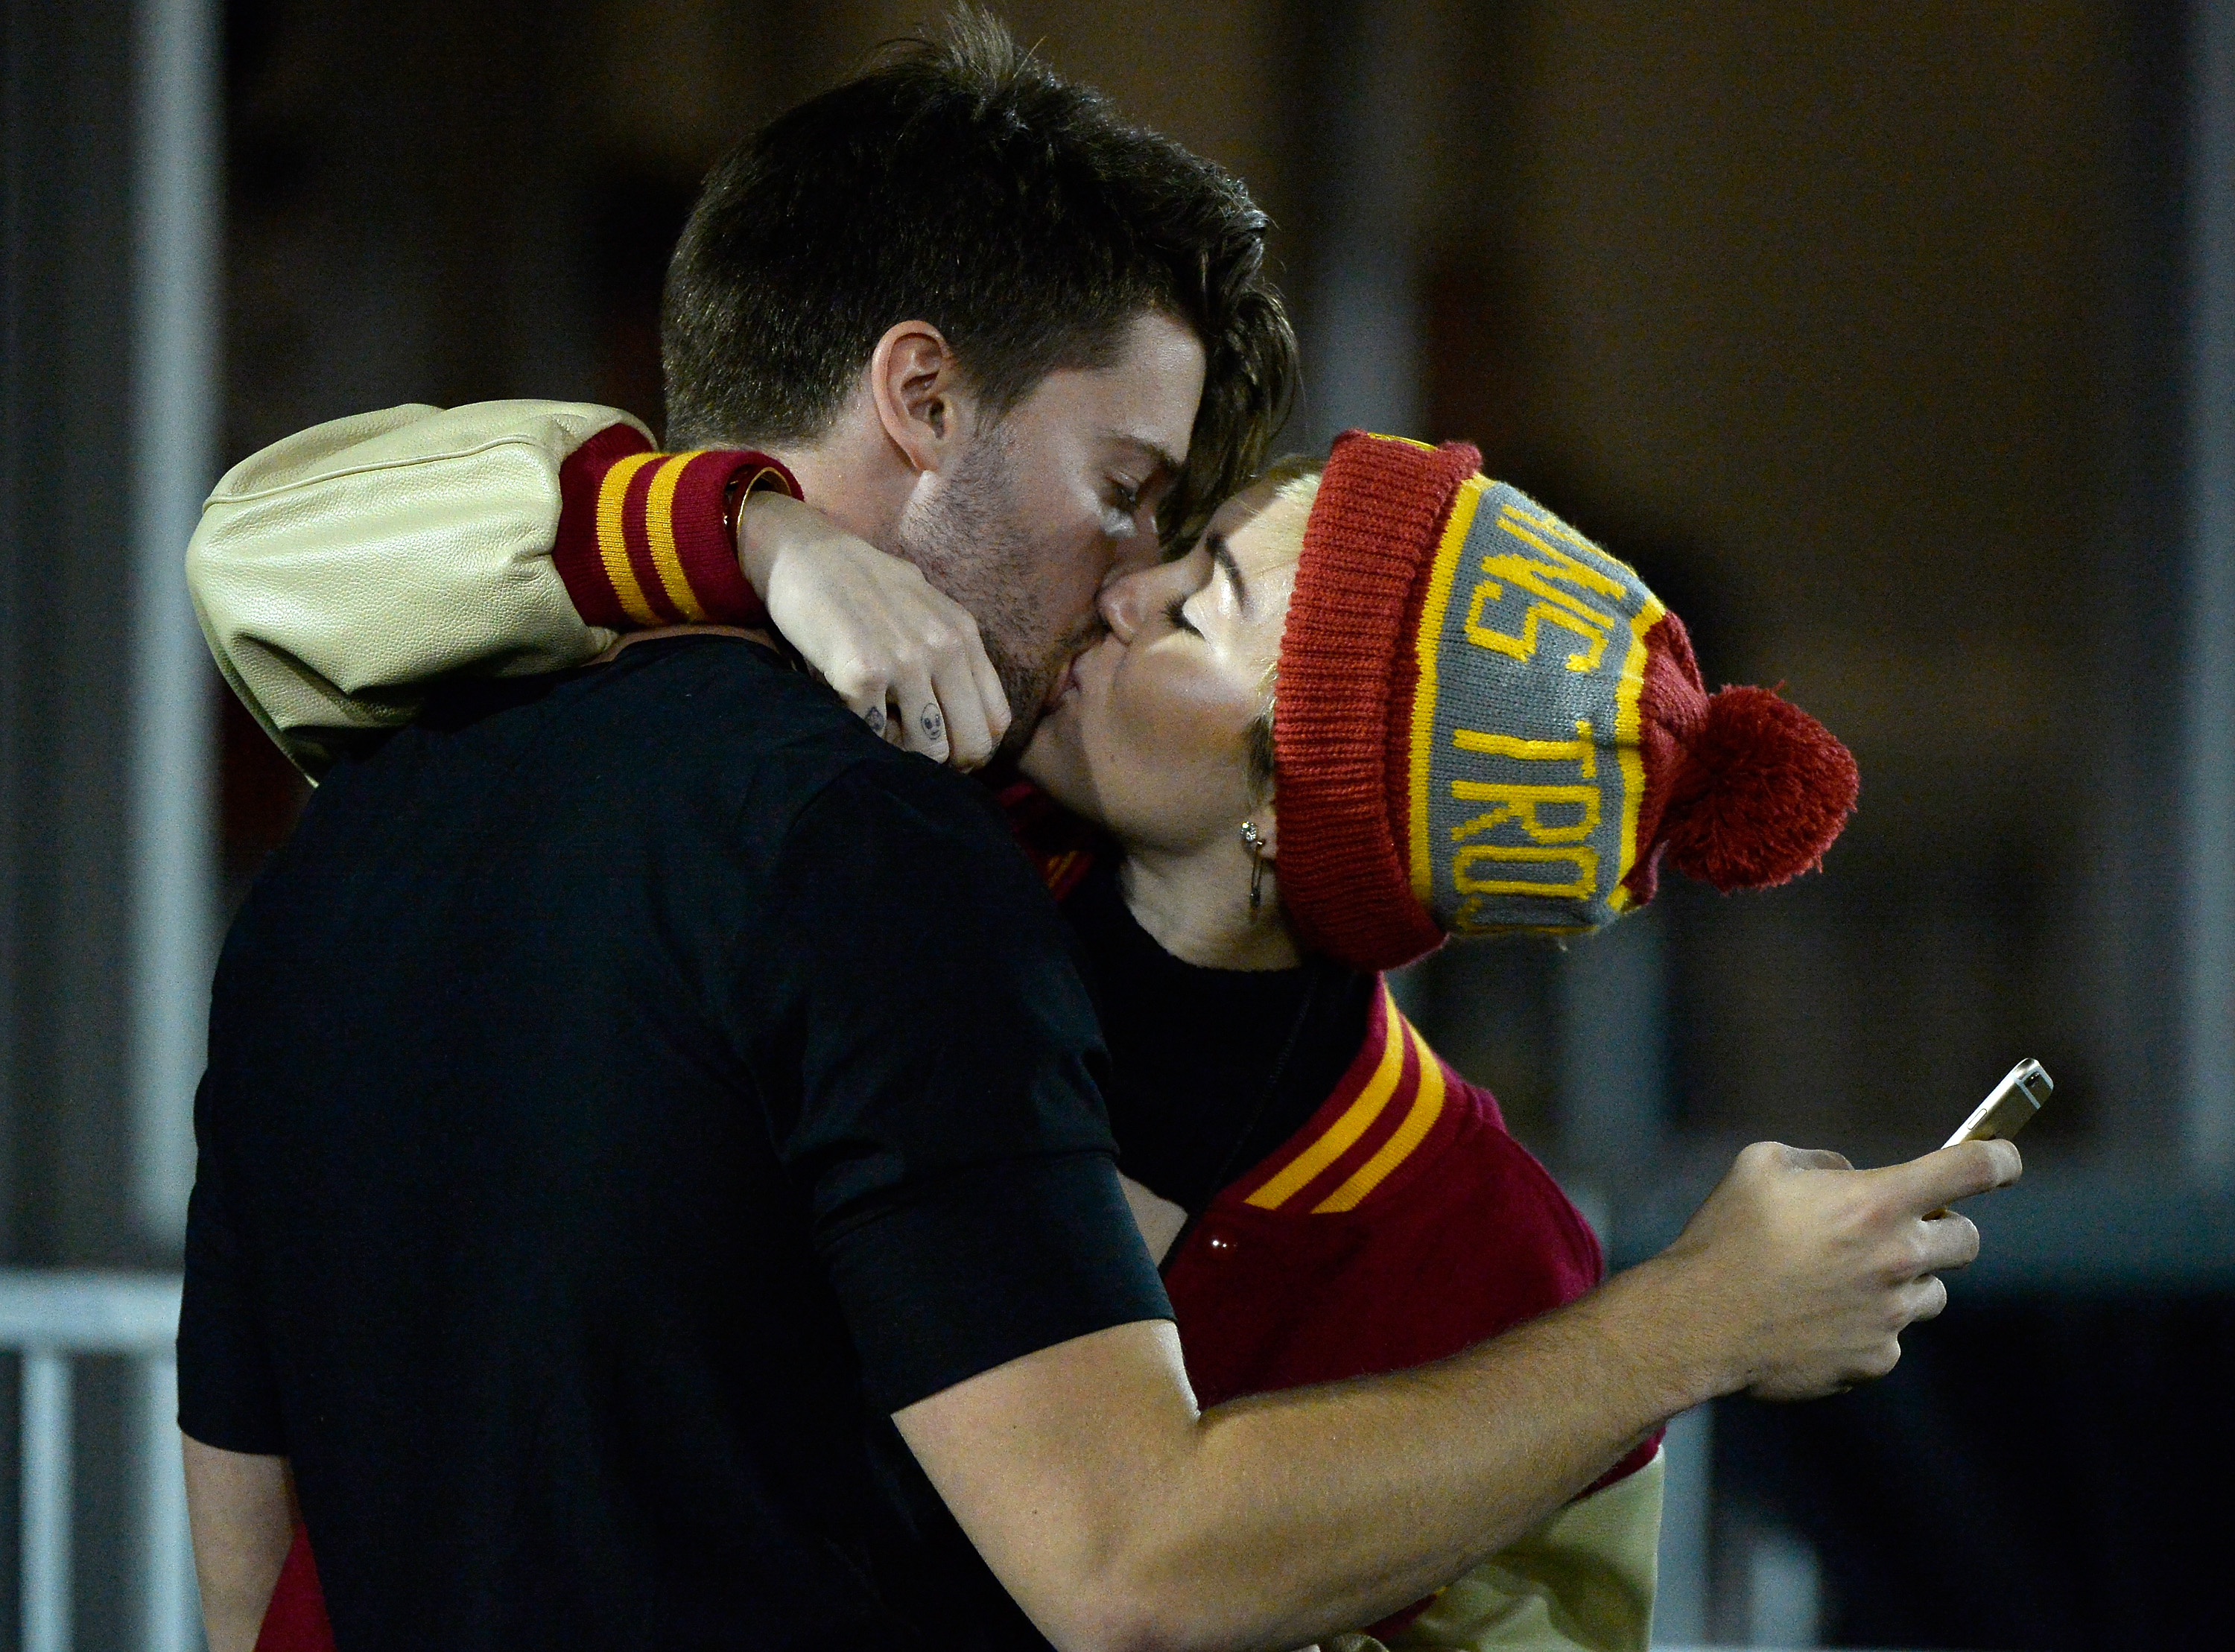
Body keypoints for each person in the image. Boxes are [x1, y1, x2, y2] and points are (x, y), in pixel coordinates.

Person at [180, 17, 2019, 1652]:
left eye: (1195, 577)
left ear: (1310, 804)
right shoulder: (894, 861)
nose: (1126, 589)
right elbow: (1127, 1555)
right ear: (920, 398)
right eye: (1138, 503)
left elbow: (243, 1567)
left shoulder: (378, 817)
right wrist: (762, 531)